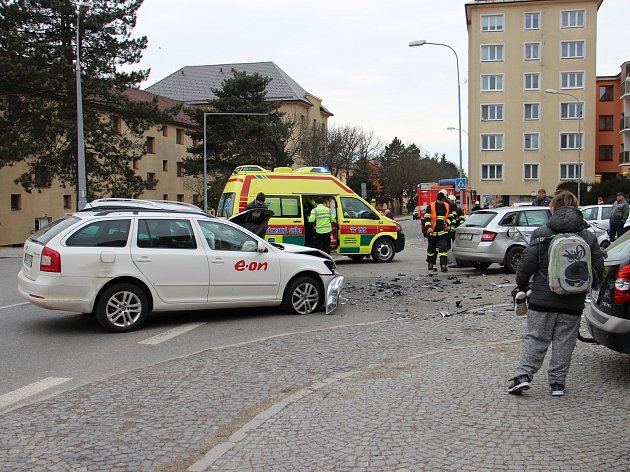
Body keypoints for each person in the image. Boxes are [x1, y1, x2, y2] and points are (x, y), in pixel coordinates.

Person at [507, 191, 604, 397]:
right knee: (565, 341)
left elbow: (527, 263)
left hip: (543, 298)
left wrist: (521, 285)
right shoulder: (588, 235)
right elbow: (598, 267)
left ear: (554, 207)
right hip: (573, 300)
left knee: (536, 337)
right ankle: (557, 383)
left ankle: (523, 376)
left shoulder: (543, 232)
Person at [423, 191, 451, 272]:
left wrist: (447, 223)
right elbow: (427, 218)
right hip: (433, 232)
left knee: (443, 250)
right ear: (437, 200)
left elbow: (450, 217)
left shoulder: (446, 206)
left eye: (443, 200)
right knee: (431, 250)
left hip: (443, 232)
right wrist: (428, 227)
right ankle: (430, 263)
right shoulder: (430, 206)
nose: (442, 202)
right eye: (440, 200)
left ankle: (443, 266)